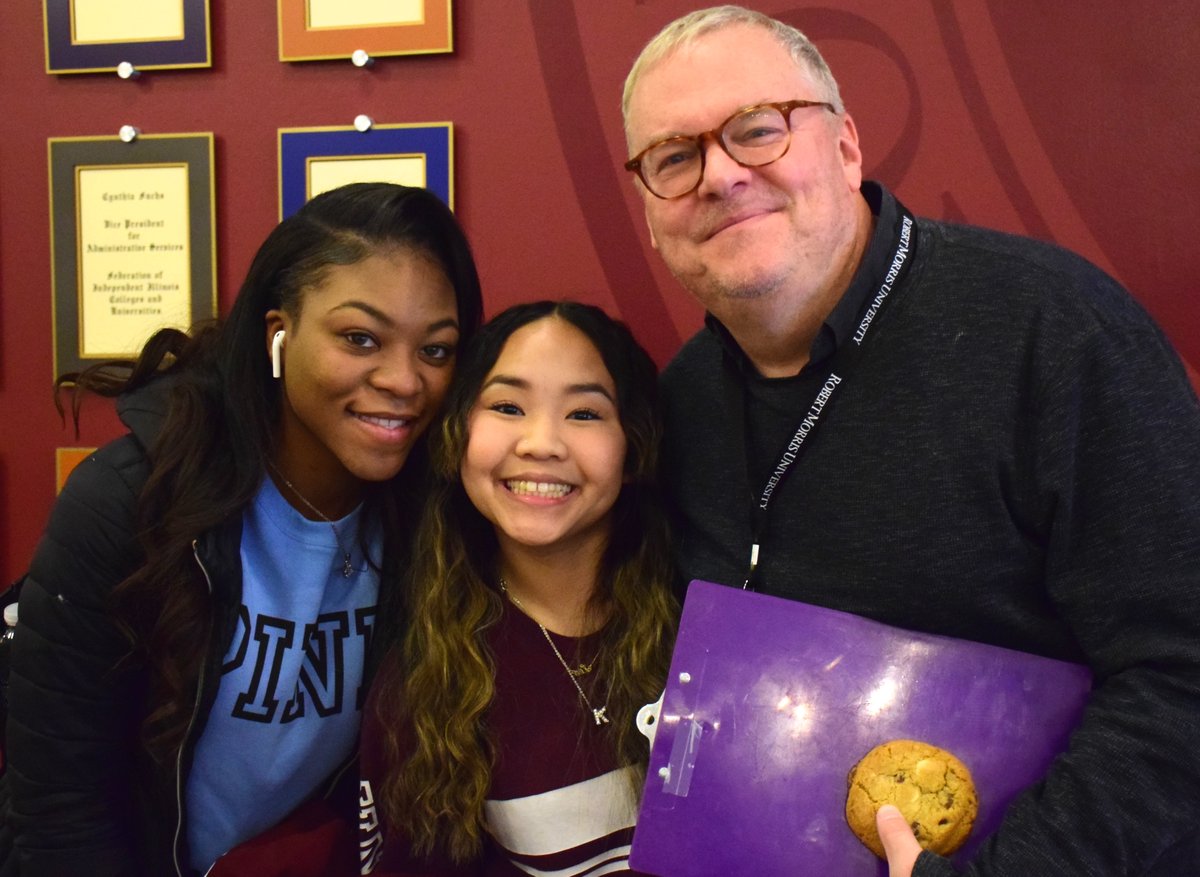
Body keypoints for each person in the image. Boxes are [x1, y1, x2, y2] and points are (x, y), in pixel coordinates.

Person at [621, 6, 1200, 877]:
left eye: (757, 130)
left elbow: (1182, 674)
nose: (721, 175)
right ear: (650, 207)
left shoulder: (1056, 332)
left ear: (847, 146)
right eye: (674, 156)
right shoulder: (677, 402)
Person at [2, 182, 483, 877]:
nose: (405, 380)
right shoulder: (130, 501)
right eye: (359, 338)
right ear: (277, 333)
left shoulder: (429, 519)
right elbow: (58, 809)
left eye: (436, 351)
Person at [358, 301, 678, 876]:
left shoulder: (698, 622)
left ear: (632, 447)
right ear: (458, 437)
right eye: (507, 406)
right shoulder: (424, 685)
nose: (541, 443)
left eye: (584, 414)